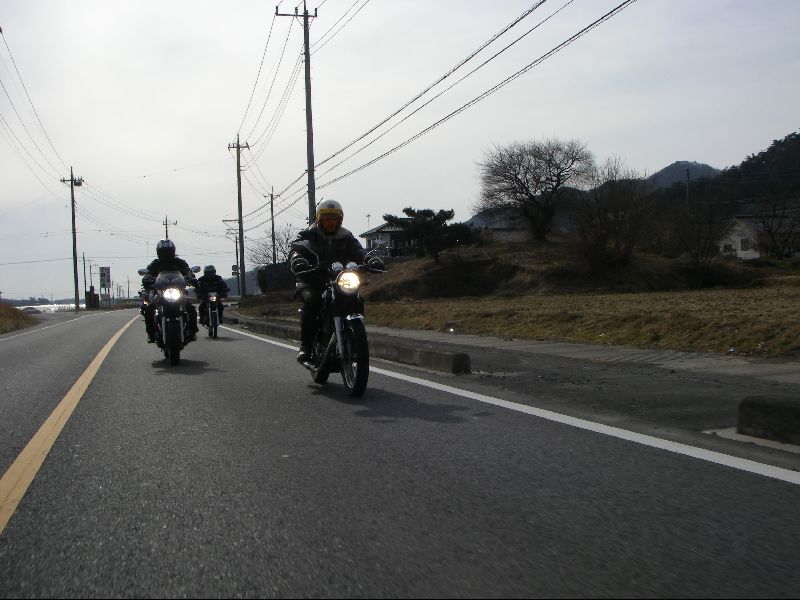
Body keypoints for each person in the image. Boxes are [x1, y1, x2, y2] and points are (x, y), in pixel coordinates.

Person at [288, 199, 384, 363]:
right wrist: (298, 260)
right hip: (313, 280)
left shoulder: (346, 236)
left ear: (340, 220)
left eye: (334, 219)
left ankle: (355, 338)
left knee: (357, 299)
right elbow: (297, 249)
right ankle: (306, 346)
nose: (330, 223)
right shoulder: (308, 235)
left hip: (340, 279)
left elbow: (359, 251)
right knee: (313, 301)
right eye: (327, 219)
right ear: (319, 219)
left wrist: (370, 260)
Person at [143, 239, 199, 342]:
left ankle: (192, 331)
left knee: (190, 309)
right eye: (164, 252)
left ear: (173, 251)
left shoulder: (179, 262)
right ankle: (151, 334)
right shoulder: (155, 264)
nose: (166, 255)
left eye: (168, 252)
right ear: (159, 253)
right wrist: (146, 279)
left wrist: (191, 277)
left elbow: (188, 271)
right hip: (161, 293)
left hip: (178, 291)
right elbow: (148, 273)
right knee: (149, 310)